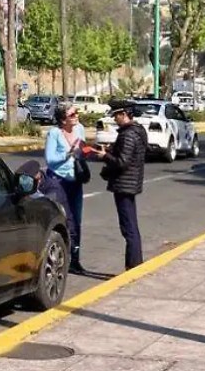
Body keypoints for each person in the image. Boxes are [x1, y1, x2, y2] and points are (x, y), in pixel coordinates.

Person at [96, 104, 147, 270]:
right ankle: (135, 263)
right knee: (131, 225)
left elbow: (122, 162)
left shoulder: (128, 134)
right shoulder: (137, 131)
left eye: (116, 115)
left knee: (128, 228)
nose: (114, 118)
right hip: (131, 183)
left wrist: (105, 156)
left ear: (124, 114)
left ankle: (133, 265)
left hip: (124, 184)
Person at [44, 102, 89, 274]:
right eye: (72, 114)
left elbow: (82, 151)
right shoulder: (54, 133)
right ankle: (59, 259)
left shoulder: (80, 129)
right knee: (64, 219)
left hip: (75, 179)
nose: (76, 116)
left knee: (76, 220)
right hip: (58, 181)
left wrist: (86, 152)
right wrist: (68, 153)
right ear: (63, 120)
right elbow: (50, 159)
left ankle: (75, 260)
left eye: (76, 112)